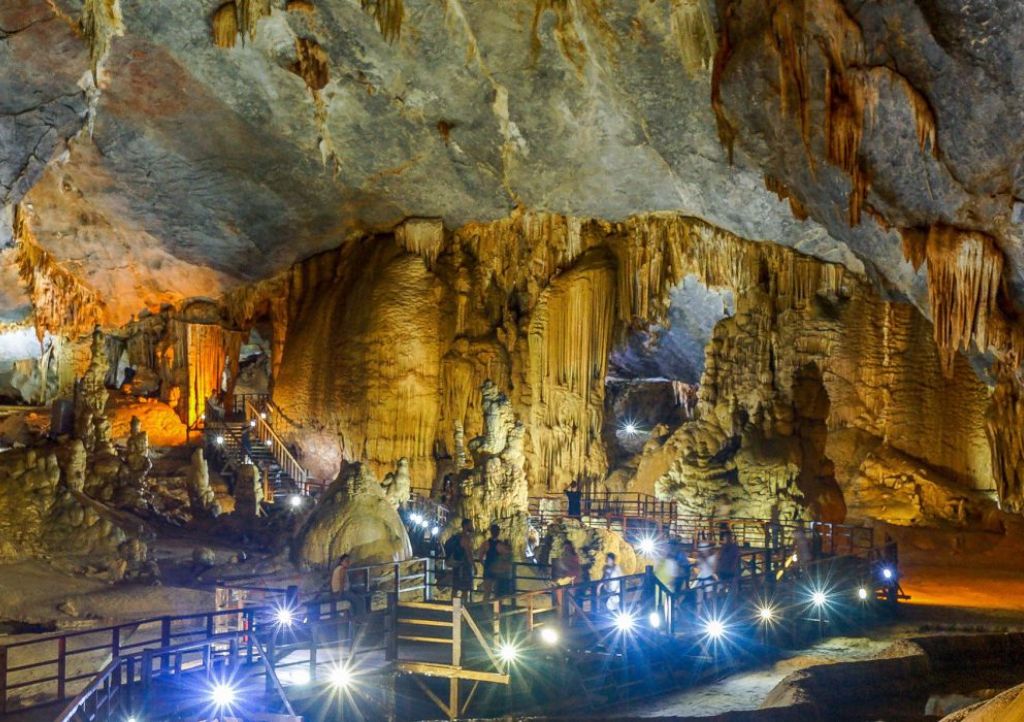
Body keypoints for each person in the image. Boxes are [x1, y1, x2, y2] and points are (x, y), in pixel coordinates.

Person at [444, 518, 476, 598]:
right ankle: (462, 605)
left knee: (455, 588)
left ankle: (455, 605)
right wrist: (474, 566)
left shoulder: (458, 536)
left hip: (457, 566)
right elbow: (469, 553)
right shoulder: (466, 538)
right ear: (466, 526)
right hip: (464, 567)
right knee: (465, 589)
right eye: (470, 525)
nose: (472, 526)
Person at [478, 524, 504, 599]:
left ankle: (485, 606)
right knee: (497, 593)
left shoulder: (485, 543)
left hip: (488, 569)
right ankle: (495, 606)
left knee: (487, 592)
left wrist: (485, 565)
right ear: (498, 532)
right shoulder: (501, 544)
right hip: (497, 570)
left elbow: (480, 557)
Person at [716, 530, 741, 598]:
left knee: (731, 588)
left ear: (730, 538)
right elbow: (720, 558)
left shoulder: (734, 547)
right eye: (725, 537)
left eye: (728, 537)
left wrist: (733, 567)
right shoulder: (723, 547)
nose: (726, 539)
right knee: (722, 587)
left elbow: (735, 558)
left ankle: (730, 600)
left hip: (729, 570)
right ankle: (723, 599)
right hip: (723, 570)